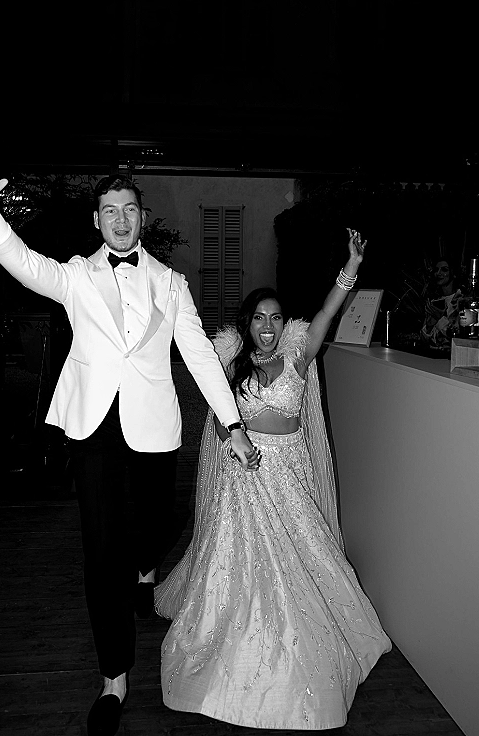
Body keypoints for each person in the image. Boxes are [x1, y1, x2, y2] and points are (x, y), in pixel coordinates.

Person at [0, 152, 258, 736]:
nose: (120, 219)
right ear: (97, 222)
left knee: (158, 524)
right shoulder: (75, 275)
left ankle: (145, 568)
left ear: (142, 219)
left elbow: (196, 352)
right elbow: (24, 265)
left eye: (130, 210)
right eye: (109, 210)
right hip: (93, 429)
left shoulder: (171, 283)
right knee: (101, 555)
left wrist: (233, 424)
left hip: (153, 429)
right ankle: (113, 678)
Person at [155, 229, 392, 731]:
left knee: (303, 559)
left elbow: (327, 315)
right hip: (241, 478)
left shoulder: (299, 358)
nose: (267, 326)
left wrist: (349, 269)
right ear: (249, 323)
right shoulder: (230, 363)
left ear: (286, 325)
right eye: (259, 318)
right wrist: (232, 441)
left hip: (287, 473)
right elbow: (219, 418)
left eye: (275, 318)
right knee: (234, 566)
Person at [420, 258, 462, 352]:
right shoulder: (434, 301)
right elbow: (423, 340)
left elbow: (460, 338)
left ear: (453, 273)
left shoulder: (462, 301)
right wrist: (429, 326)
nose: (438, 273)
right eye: (436, 270)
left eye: (444, 269)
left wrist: (440, 319)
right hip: (431, 357)